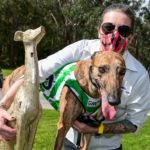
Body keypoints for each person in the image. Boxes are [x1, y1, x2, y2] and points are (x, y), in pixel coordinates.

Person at [0, 3, 150, 150]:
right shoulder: (81, 49)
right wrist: (3, 106)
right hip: (69, 143)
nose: (114, 35)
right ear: (99, 30)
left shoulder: (140, 75)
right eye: (108, 28)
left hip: (108, 147)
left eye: (123, 30)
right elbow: (35, 72)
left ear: (130, 37)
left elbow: (134, 123)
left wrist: (97, 128)